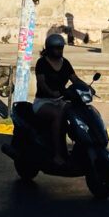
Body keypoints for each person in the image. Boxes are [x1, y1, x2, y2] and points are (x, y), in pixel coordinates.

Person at [34, 33, 81, 166]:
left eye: (61, 48)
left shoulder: (65, 63)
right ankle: (57, 154)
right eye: (57, 48)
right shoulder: (42, 63)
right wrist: (51, 92)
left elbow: (74, 79)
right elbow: (41, 82)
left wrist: (86, 88)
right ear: (49, 49)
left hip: (60, 100)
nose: (59, 51)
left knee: (77, 111)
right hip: (43, 101)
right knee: (57, 115)